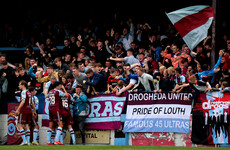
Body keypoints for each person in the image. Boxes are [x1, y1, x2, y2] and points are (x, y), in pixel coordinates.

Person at [15, 80, 36, 145]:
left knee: (19, 125)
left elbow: (23, 101)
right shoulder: (29, 93)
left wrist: (18, 109)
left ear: (23, 85)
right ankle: (28, 141)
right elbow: (32, 103)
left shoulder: (24, 92)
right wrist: (34, 111)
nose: (19, 86)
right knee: (26, 125)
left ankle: (24, 141)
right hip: (29, 110)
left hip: (24, 110)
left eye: (20, 84)